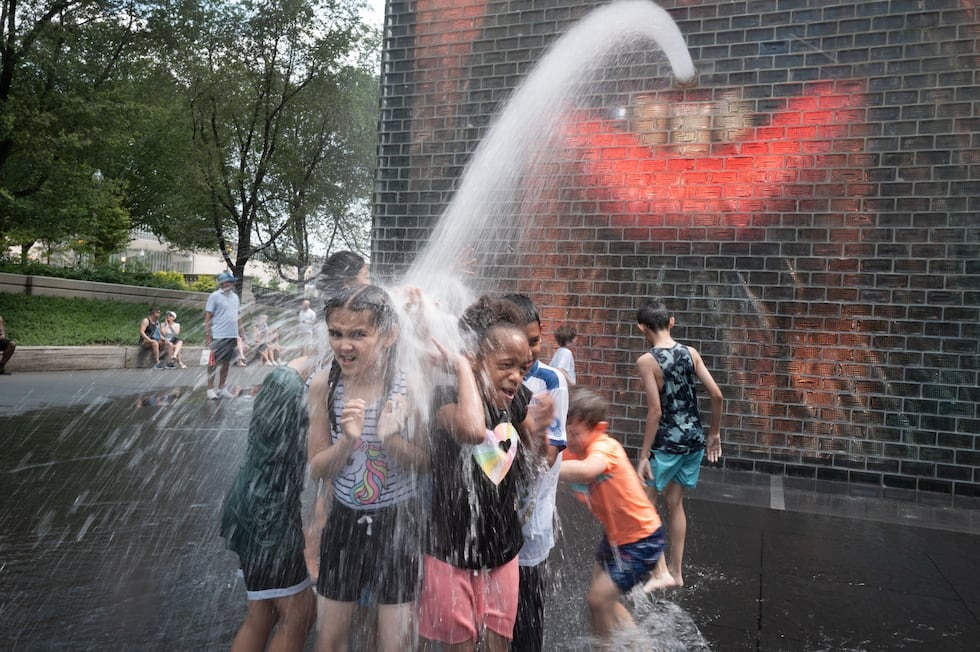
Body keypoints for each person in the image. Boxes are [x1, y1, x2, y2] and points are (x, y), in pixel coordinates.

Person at [419, 295, 553, 652]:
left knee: (499, 645)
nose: (516, 376)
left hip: (502, 552)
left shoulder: (518, 397)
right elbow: (474, 430)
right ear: (475, 359)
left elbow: (539, 454)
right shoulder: (445, 398)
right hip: (451, 554)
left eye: (522, 368)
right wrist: (462, 368)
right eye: (506, 365)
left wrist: (541, 433)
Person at [307, 284, 428, 652]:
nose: (345, 346)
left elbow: (426, 462)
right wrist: (347, 441)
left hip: (398, 523)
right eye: (336, 333)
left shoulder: (410, 386)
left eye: (359, 334)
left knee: (395, 643)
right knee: (329, 641)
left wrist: (390, 440)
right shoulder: (322, 385)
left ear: (388, 334)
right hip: (344, 522)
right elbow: (317, 469)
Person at [559, 387, 672, 642]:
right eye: (567, 431)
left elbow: (589, 470)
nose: (571, 439)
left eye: (576, 433)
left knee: (597, 599)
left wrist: (551, 468)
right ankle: (639, 645)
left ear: (598, 428)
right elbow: (546, 451)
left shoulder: (605, 447)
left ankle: (606, 649)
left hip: (642, 541)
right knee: (602, 601)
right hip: (615, 538)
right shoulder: (573, 450)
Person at [220, 359, 318, 652]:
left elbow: (298, 364)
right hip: (268, 520)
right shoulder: (292, 391)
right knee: (299, 613)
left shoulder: (282, 383)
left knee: (263, 612)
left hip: (248, 509)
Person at [635, 300, 723, 588]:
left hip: (667, 443)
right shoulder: (691, 353)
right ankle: (676, 572)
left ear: (641, 328)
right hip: (694, 440)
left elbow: (655, 411)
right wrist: (714, 433)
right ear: (671, 321)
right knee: (675, 502)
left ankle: (660, 572)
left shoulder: (647, 361)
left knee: (645, 503)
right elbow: (717, 395)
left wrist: (644, 454)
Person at [501, 295, 568, 652]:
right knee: (496, 620)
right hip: (496, 524)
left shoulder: (550, 380)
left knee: (526, 621)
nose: (527, 354)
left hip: (531, 524)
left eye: (534, 341)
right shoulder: (496, 376)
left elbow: (549, 456)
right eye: (518, 344)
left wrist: (536, 428)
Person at [205, 272, 247, 400]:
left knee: (226, 363)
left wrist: (242, 332)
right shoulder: (214, 296)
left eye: (233, 282)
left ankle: (222, 387)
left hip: (231, 335)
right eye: (230, 282)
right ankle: (210, 389)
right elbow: (208, 316)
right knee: (212, 363)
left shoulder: (235, 297)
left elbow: (237, 316)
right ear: (223, 283)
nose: (232, 284)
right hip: (217, 335)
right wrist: (207, 335)